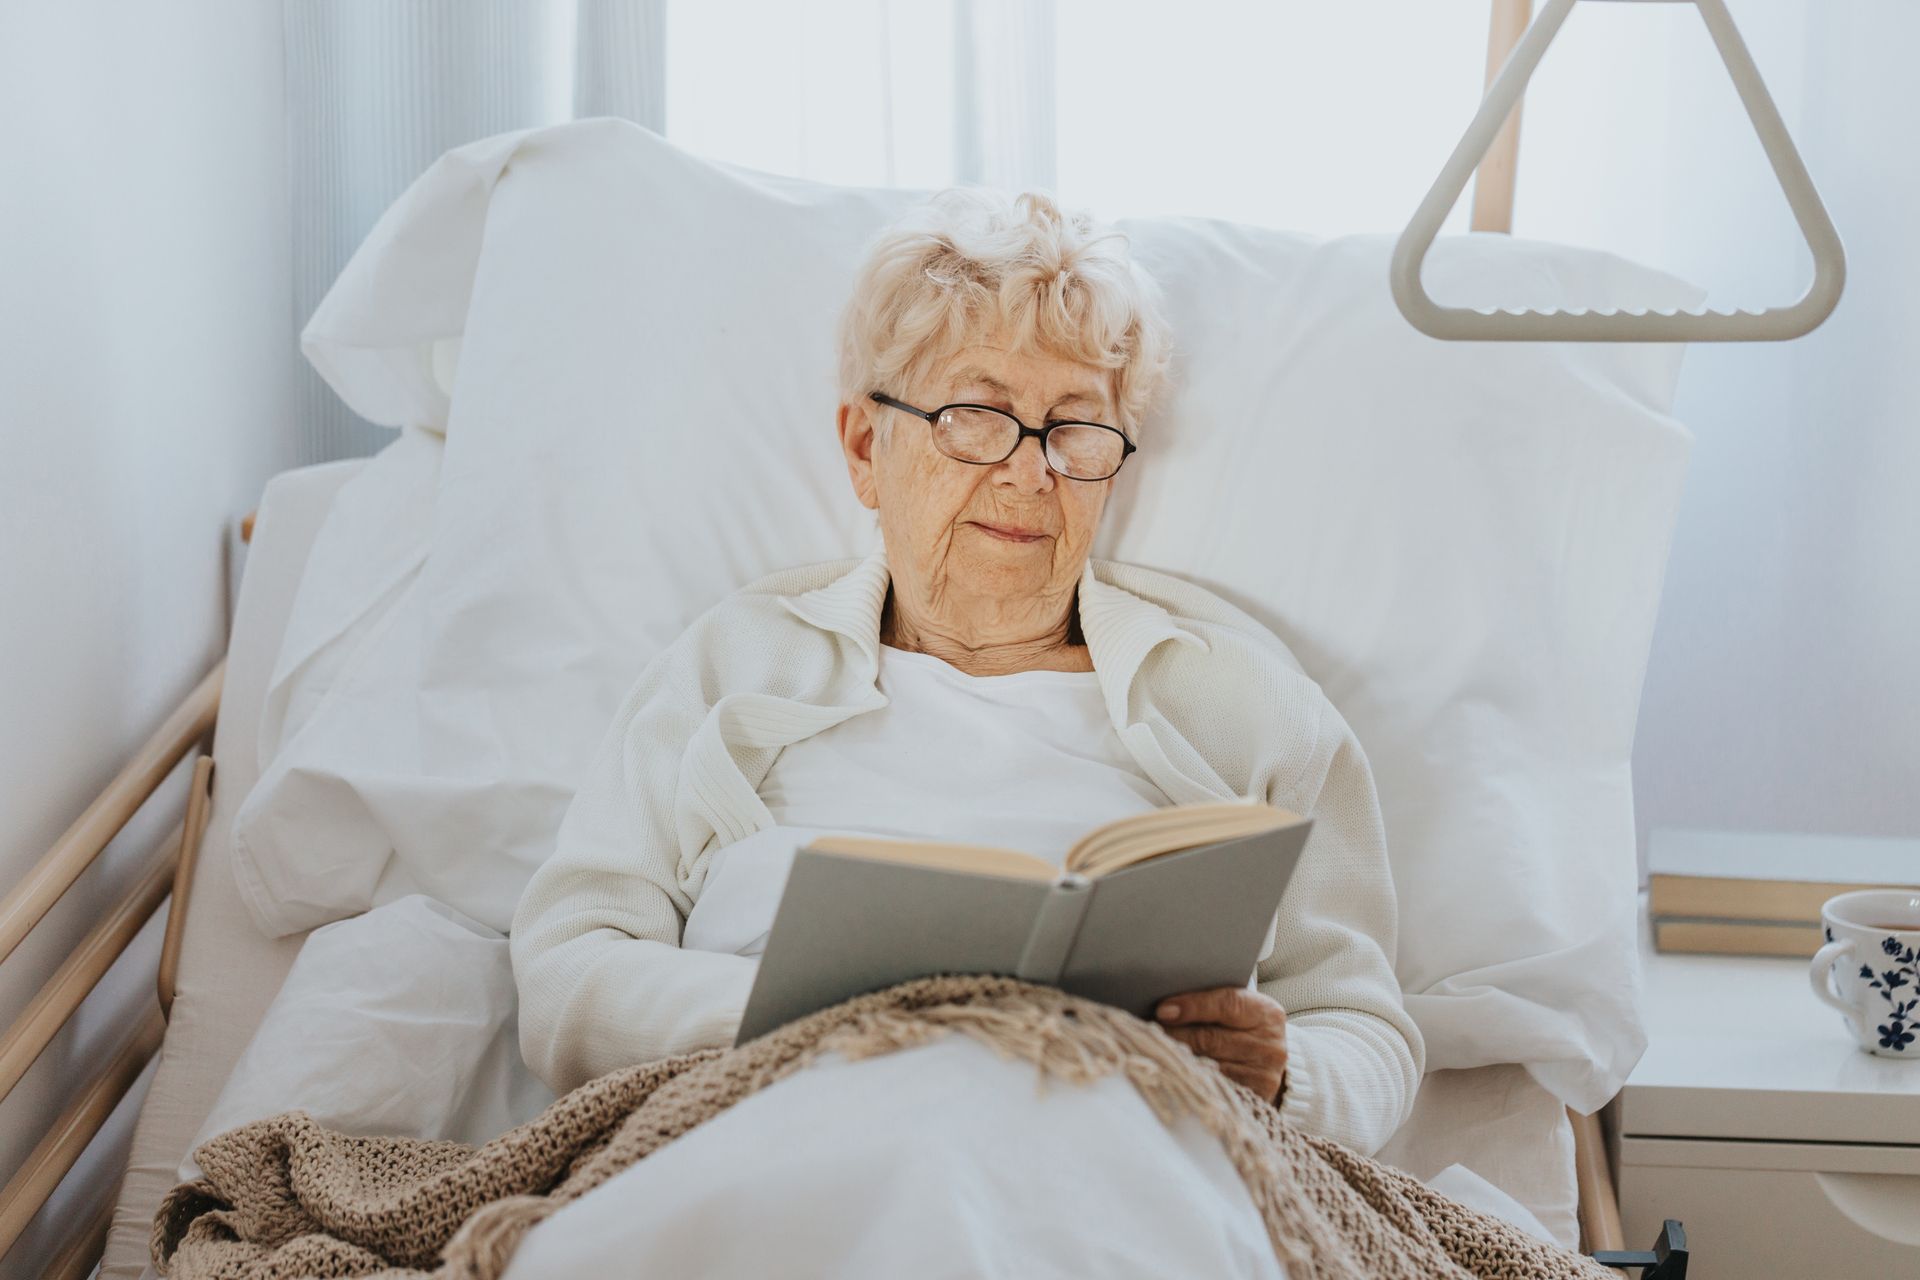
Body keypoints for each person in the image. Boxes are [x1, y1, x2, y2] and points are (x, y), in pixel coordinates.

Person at [504, 188, 1424, 1277]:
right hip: (776, 1116)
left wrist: (1282, 1072)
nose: (1030, 471)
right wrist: (852, 1018)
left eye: (1076, 427)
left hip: (1110, 1148)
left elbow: (1368, 1029)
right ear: (862, 444)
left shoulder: (1243, 709)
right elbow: (567, 972)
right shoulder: (730, 666)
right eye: (976, 416)